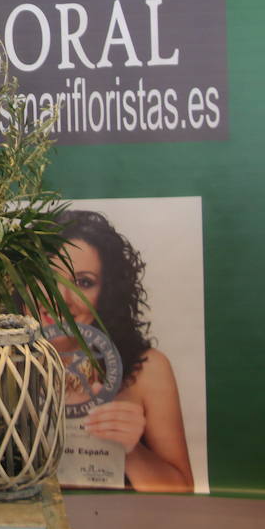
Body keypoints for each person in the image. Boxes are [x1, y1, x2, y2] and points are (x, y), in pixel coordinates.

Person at [51, 210, 194, 493]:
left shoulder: (147, 369)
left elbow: (180, 489)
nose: (61, 298)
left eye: (83, 282)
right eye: (47, 276)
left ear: (107, 292)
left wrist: (131, 451)